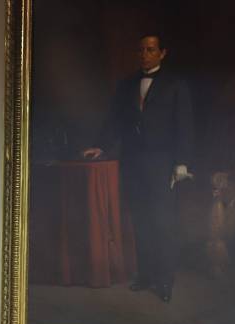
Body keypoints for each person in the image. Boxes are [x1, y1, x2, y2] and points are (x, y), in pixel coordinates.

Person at [83, 33, 194, 303]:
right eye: (141, 49)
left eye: (151, 49)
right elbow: (114, 120)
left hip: (162, 164)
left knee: (163, 223)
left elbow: (184, 125)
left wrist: (181, 162)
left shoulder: (176, 85)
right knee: (141, 221)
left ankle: (164, 281)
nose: (145, 54)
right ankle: (145, 276)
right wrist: (101, 146)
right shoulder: (126, 84)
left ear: (162, 53)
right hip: (133, 163)